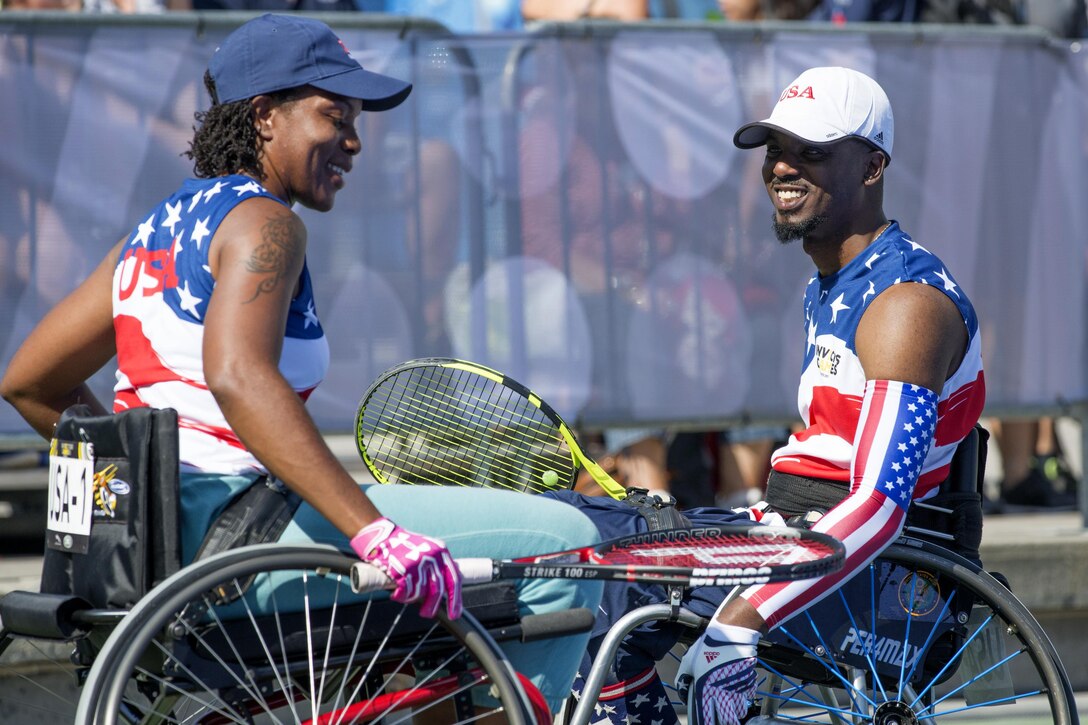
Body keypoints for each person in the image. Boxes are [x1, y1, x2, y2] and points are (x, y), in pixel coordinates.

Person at [0, 13, 602, 714]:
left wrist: (135, 483)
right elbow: (238, 374)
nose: (353, 139)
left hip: (168, 548)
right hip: (239, 544)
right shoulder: (266, 224)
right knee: (566, 544)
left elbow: (28, 383)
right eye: (332, 113)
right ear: (263, 116)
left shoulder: (156, 229)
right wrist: (371, 530)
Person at [544, 66, 987, 724]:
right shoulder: (831, 284)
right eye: (776, 150)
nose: (783, 167)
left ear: (871, 167)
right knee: (571, 529)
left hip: (878, 580)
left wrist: (740, 621)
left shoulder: (905, 306)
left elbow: (879, 505)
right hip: (798, 536)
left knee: (603, 575)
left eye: (812, 152)